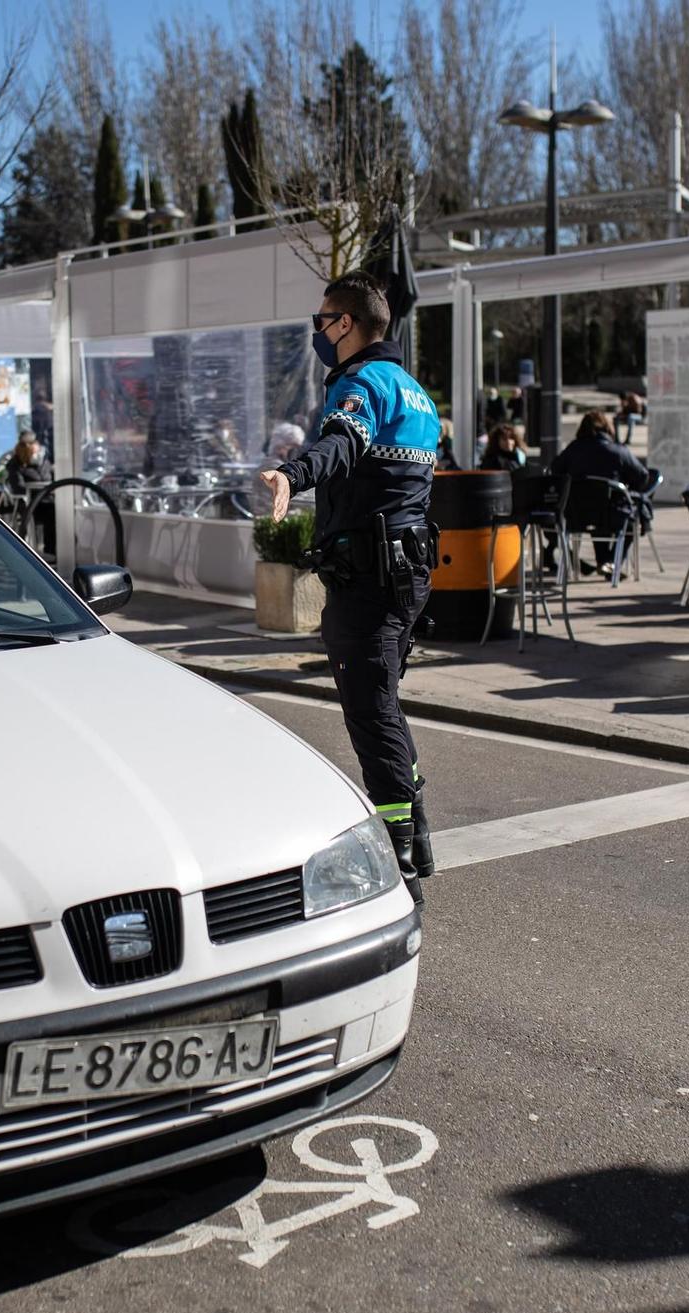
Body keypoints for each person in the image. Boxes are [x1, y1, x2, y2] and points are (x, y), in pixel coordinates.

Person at [259, 270, 439, 905]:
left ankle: (400, 862)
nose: (317, 330)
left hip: (369, 575)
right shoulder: (416, 392)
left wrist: (291, 475)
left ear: (346, 324)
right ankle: (413, 824)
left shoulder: (363, 385)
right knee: (383, 700)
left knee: (370, 710)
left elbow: (342, 444)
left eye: (322, 319)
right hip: (405, 570)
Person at [551, 409, 654, 571]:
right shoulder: (618, 451)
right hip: (611, 512)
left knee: (597, 516)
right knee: (626, 519)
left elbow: (555, 471)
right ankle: (612, 561)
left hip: (576, 513)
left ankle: (605, 561)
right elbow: (642, 477)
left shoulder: (572, 450)